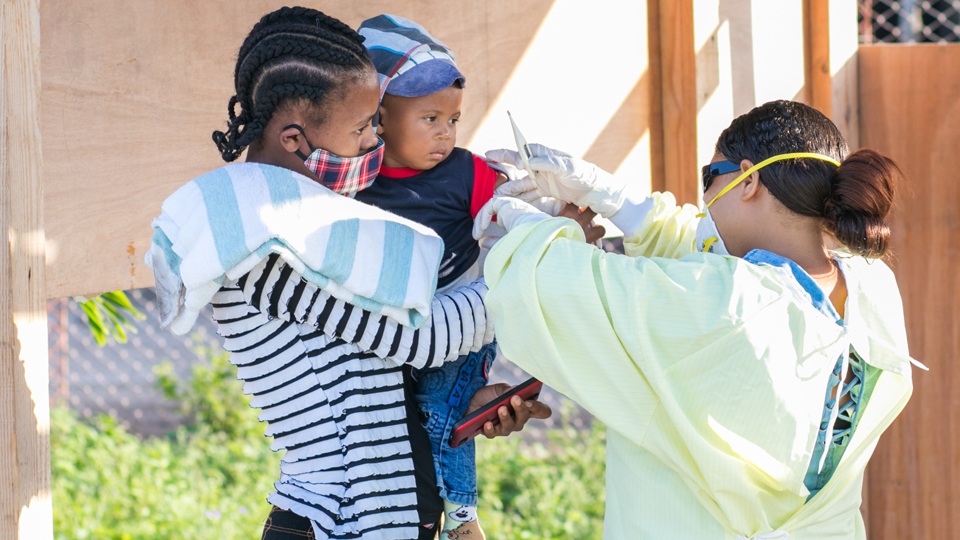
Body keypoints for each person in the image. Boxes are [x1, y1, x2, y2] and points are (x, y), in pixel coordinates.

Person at [145, 7, 547, 540]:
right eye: (361, 127)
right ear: (293, 138)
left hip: (390, 516)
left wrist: (460, 404)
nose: (370, 145)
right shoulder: (268, 240)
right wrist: (542, 261)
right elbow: (421, 338)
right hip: (338, 522)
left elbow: (374, 369)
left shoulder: (313, 222)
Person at [474, 99, 921, 538]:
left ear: (748, 182)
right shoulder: (871, 286)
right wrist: (617, 201)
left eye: (711, 178)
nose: (704, 199)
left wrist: (526, 228)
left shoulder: (726, 305)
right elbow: (717, 257)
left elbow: (560, 284)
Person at [353, 14, 553, 540]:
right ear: (377, 118)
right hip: (401, 335)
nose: (446, 132)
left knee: (444, 408)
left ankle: (463, 519)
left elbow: (520, 209)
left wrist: (551, 216)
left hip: (461, 328)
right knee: (435, 415)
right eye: (430, 118)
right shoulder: (356, 187)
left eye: (454, 120)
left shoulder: (466, 171)